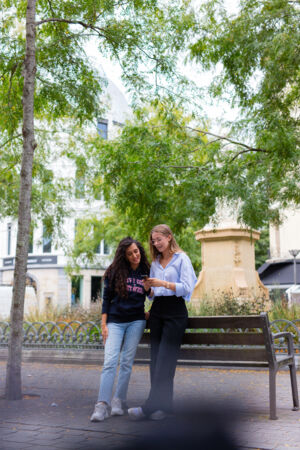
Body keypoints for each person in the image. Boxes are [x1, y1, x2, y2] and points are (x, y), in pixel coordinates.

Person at [128, 224, 197, 421]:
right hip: (157, 311)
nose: (156, 243)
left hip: (175, 311)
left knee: (165, 362)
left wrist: (163, 283)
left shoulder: (182, 259)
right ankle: (163, 408)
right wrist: (148, 288)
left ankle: (149, 407)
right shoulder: (155, 263)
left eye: (159, 239)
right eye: (153, 240)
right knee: (156, 361)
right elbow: (153, 296)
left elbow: (187, 288)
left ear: (169, 237)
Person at [90, 236, 151, 422]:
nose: (135, 255)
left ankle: (119, 400)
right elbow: (106, 300)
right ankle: (102, 405)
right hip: (115, 322)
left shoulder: (146, 270)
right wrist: (104, 325)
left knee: (126, 362)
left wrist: (149, 301)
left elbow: (153, 296)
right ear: (124, 256)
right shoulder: (114, 272)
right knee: (110, 362)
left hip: (136, 322)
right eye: (130, 253)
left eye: (136, 251)